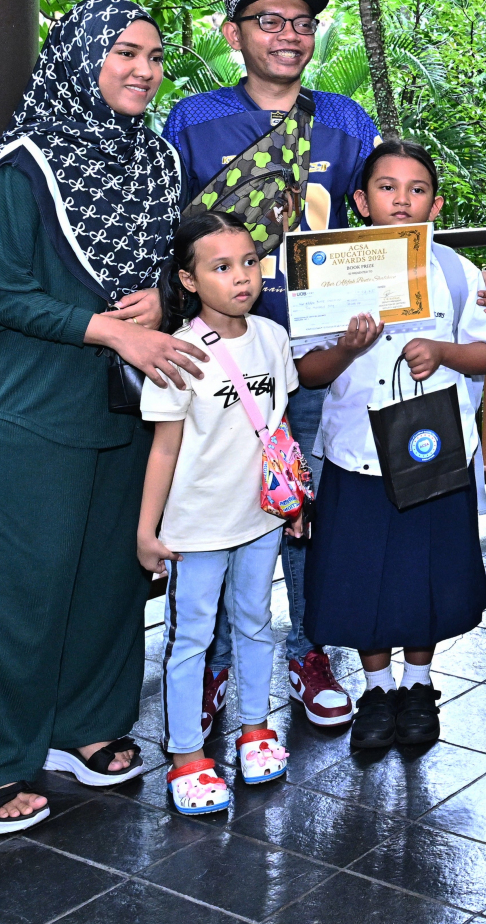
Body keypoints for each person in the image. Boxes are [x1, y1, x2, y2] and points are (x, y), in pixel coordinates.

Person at [162, 0, 486, 732]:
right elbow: (166, 228)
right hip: (230, 353)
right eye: (269, 20)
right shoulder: (193, 120)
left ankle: (309, 651)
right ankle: (215, 663)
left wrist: (473, 288)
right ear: (233, 33)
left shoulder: (345, 122)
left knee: (316, 514)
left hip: (328, 356)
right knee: (219, 510)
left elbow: (395, 223)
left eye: (302, 22)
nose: (289, 35)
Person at [0, 0, 210, 835]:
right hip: (40, 402)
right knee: (23, 589)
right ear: (81, 58)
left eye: (154, 57)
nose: (144, 71)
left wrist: (160, 301)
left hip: (131, 399)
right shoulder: (27, 163)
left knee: (110, 580)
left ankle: (81, 725)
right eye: (125, 52)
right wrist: (110, 330)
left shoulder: (156, 161)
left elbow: (169, 268)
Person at [296, 140, 486, 750]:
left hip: (432, 453)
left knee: (424, 571)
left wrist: (441, 352)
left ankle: (418, 684)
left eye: (417, 189)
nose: (402, 199)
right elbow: (308, 371)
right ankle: (377, 688)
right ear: (361, 201)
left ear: (434, 204)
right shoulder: (328, 269)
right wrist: (348, 347)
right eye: (386, 187)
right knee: (363, 575)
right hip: (355, 452)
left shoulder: (456, 272)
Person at [138, 211, 302, 814]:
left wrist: (293, 499)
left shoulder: (273, 338)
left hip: (261, 517)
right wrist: (147, 529)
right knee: (192, 639)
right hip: (198, 526)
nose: (242, 277)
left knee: (256, 623)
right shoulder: (178, 353)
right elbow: (164, 448)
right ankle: (186, 756)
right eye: (222, 267)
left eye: (250, 262)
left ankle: (255, 729)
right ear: (188, 280)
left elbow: (278, 425)